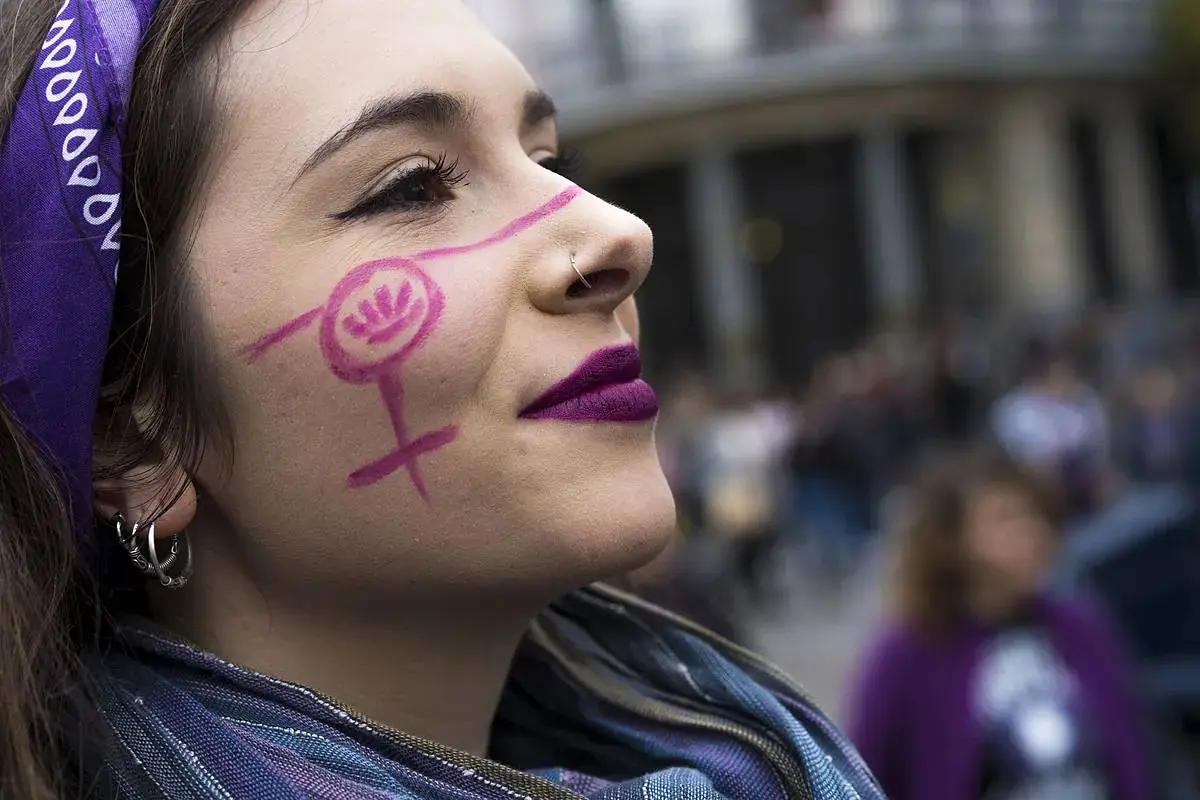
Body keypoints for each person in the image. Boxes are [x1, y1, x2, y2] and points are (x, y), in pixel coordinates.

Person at [0, 1, 882, 798]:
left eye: (548, 158)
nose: (621, 233)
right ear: (128, 439)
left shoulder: (753, 760)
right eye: (413, 185)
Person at [845, 448, 1151, 800]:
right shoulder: (906, 650)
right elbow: (864, 776)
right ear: (951, 540)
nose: (1031, 534)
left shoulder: (1080, 627)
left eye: (1037, 517)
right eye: (1006, 520)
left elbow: (1131, 754)